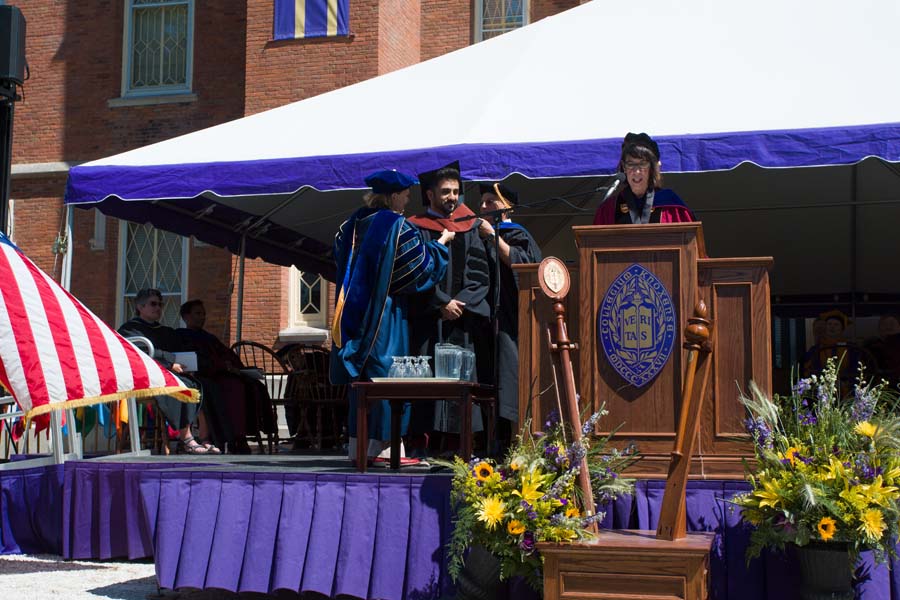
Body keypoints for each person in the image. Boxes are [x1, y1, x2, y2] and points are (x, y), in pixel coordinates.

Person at [330, 169, 452, 466]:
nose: (409, 199)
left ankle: (357, 446)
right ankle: (384, 448)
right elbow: (417, 271)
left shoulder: (349, 226)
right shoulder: (397, 226)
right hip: (384, 314)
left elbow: (340, 259)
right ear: (394, 195)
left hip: (350, 313)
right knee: (386, 375)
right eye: (406, 194)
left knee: (361, 378)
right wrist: (440, 246)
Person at [407, 161, 492, 455]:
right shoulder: (415, 228)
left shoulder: (469, 227)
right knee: (424, 382)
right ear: (429, 195)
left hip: (461, 322)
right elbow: (413, 272)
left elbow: (480, 275)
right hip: (429, 322)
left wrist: (459, 304)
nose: (452, 198)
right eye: (445, 192)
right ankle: (424, 445)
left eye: (456, 192)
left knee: (461, 382)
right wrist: (440, 302)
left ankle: (459, 448)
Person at [477, 182, 542, 451]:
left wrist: (493, 236)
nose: (483, 207)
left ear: (508, 207)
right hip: (484, 321)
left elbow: (523, 266)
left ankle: (517, 445)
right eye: (482, 201)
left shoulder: (517, 234)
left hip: (512, 321)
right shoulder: (477, 234)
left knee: (510, 381)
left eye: (491, 201)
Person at [177, 299, 276, 454]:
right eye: (198, 313)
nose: (202, 317)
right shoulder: (181, 336)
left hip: (222, 374)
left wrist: (235, 368)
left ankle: (248, 433)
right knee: (233, 387)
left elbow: (227, 355)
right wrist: (222, 366)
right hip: (203, 376)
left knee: (254, 386)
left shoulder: (209, 337)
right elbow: (195, 361)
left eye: (203, 314)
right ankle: (234, 438)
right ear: (186, 316)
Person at [118, 288, 209, 454]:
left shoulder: (165, 331)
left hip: (167, 373)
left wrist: (184, 363)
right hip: (144, 379)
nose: (158, 308)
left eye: (160, 304)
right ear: (140, 306)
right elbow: (141, 352)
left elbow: (178, 352)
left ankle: (201, 437)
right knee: (181, 386)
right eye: (153, 304)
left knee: (195, 384)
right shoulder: (129, 330)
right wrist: (169, 363)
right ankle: (187, 438)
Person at [593, 132, 695, 225]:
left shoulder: (671, 204)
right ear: (624, 167)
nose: (636, 171)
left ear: (652, 168)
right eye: (631, 164)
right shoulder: (609, 208)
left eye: (642, 164)